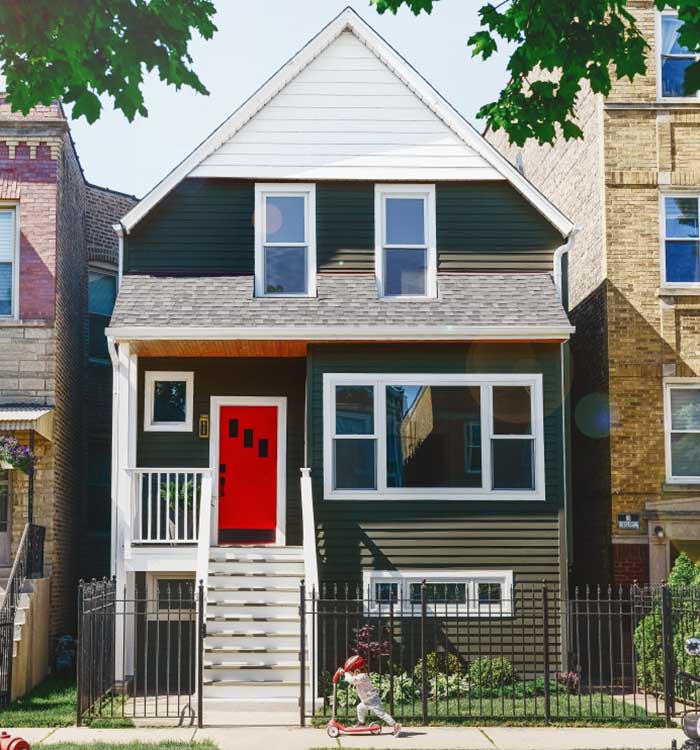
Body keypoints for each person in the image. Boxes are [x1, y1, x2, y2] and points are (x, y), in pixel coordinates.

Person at [339, 654, 402, 737]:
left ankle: (395, 725)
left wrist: (345, 673)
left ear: (357, 670)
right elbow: (352, 678)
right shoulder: (359, 675)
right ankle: (361, 723)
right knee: (360, 707)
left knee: (381, 714)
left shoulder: (363, 676)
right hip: (366, 700)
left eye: (351, 671)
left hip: (372, 700)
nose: (351, 673)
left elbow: (352, 680)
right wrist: (345, 672)